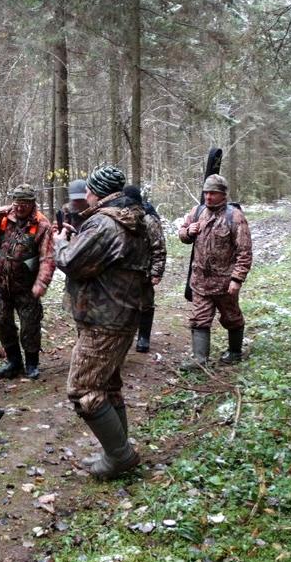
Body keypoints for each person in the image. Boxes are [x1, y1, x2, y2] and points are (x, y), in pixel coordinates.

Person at [55, 165, 153, 480]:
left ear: (96, 192)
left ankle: (120, 455)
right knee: (108, 385)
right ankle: (117, 449)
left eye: (88, 190)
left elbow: (71, 262)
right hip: (123, 314)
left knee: (82, 388)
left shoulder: (104, 223)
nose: (84, 195)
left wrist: (60, 242)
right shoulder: (136, 220)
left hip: (104, 319)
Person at [177, 174, 253, 369]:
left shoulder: (234, 216)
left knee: (231, 317)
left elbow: (244, 252)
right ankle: (199, 359)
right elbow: (182, 233)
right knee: (199, 318)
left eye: (213, 193)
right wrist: (188, 232)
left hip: (224, 283)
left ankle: (235, 352)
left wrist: (237, 279)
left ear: (223, 195)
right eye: (206, 193)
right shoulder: (197, 211)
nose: (208, 197)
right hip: (200, 281)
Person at [0, 183, 55, 380]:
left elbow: (47, 258)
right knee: (3, 322)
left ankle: (32, 364)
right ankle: (13, 362)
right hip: (1, 284)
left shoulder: (42, 225)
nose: (19, 208)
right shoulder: (4, 217)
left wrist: (42, 283)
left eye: (24, 204)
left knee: (30, 325)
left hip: (26, 287)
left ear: (32, 204)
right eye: (16, 203)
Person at [123, 185, 167, 352]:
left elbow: (159, 247)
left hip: (145, 270)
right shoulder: (122, 217)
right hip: (126, 270)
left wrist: (157, 272)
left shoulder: (149, 219)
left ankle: (143, 338)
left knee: (146, 304)